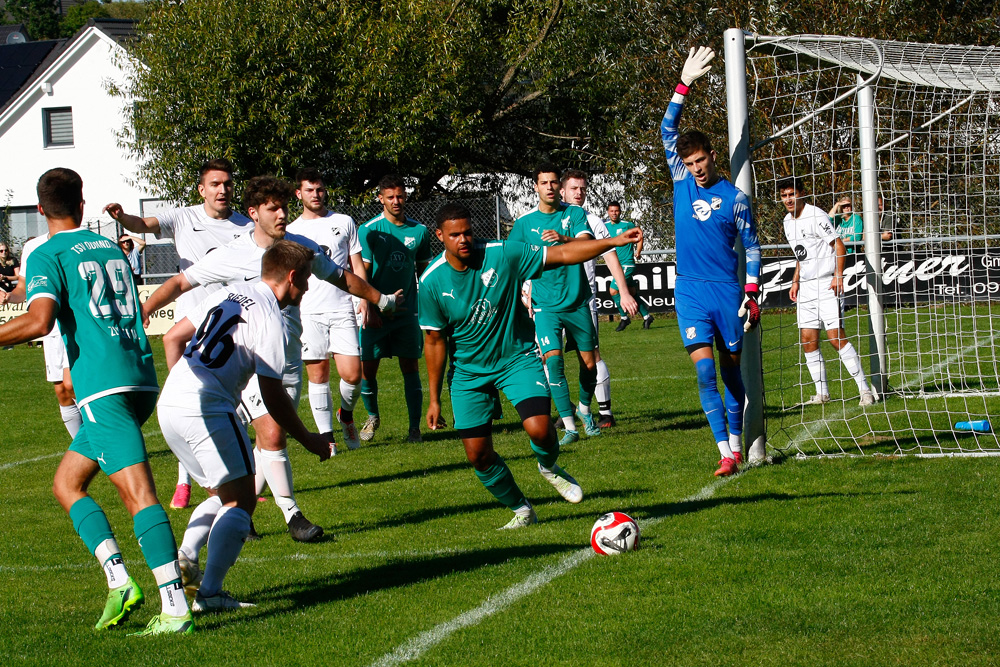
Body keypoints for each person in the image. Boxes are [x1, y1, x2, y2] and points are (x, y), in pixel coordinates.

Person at [141, 176, 401, 543]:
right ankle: (292, 516)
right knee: (273, 432)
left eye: (284, 207)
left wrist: (381, 299)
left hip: (287, 357)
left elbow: (343, 278)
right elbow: (180, 283)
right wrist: (145, 309)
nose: (282, 215)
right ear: (253, 214)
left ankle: (241, 513)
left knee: (264, 446)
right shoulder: (231, 253)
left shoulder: (301, 248)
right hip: (247, 365)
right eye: (273, 208)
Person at [0, 168, 193, 635]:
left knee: (139, 493)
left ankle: (175, 606)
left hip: (103, 387)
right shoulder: (110, 246)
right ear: (82, 205)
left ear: (41, 209)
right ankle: (120, 581)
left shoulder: (47, 252)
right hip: (139, 375)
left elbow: (40, 321)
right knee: (66, 485)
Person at [421, 203, 641, 528]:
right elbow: (434, 343)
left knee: (540, 430)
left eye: (468, 232)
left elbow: (564, 255)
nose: (463, 239)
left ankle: (549, 467)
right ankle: (522, 510)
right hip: (468, 373)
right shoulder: (431, 282)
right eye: (455, 235)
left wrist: (613, 242)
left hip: (517, 359)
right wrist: (436, 398)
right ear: (440, 236)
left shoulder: (503, 253)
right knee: (478, 456)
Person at [159, 241, 332, 612]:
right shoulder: (271, 319)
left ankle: (186, 557)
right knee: (242, 502)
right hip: (206, 408)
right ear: (290, 277)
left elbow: (172, 337)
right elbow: (272, 395)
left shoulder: (230, 292)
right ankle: (209, 593)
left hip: (170, 403)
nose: (305, 290)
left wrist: (187, 386)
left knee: (225, 493)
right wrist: (309, 439)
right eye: (305, 281)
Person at [104, 158, 253, 511]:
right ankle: (186, 479)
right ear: (202, 189)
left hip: (228, 330)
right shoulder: (183, 217)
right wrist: (122, 217)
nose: (222, 189)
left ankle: (236, 481)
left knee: (229, 410)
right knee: (187, 407)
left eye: (228, 183)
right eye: (215, 184)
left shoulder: (246, 226)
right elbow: (144, 223)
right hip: (189, 331)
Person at [662, 46, 762, 478]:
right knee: (705, 373)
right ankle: (725, 452)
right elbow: (667, 128)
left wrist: (753, 293)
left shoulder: (735, 200)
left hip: (727, 293)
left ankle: (737, 447)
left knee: (731, 376)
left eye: (700, 160)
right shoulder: (681, 181)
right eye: (689, 163)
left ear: (712, 157)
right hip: (690, 290)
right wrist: (684, 84)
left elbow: (753, 248)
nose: (696, 169)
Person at [508, 164, 604, 443]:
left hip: (577, 302)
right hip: (545, 306)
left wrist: (564, 240)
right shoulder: (524, 224)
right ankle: (570, 427)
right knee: (554, 363)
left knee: (589, 365)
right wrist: (521, 293)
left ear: (559, 187)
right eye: (544, 183)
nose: (549, 187)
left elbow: (586, 242)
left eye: (553, 182)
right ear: (536, 187)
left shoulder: (574, 214)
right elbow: (512, 262)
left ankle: (585, 409)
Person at [286, 168, 367, 451]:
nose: (316, 195)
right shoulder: (292, 230)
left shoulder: (344, 221)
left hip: (343, 306)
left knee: (353, 375)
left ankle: (345, 415)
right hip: (308, 311)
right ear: (299, 194)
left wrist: (364, 298)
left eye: (319, 189)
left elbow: (356, 265)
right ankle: (327, 440)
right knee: (318, 374)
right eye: (309, 190)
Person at [779, 178, 876, 407]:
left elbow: (839, 245)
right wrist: (795, 281)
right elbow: (801, 255)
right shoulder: (786, 221)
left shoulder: (816, 215)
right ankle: (822, 393)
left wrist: (838, 275)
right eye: (784, 196)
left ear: (802, 193)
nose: (788, 199)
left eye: (792, 194)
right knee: (808, 340)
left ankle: (865, 391)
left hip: (827, 284)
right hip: (806, 287)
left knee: (835, 338)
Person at [558, 173, 637, 429]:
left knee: (591, 357)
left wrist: (624, 292)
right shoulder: (547, 219)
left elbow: (610, 252)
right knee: (544, 357)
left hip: (583, 302)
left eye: (582, 188)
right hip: (548, 303)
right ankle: (566, 409)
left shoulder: (592, 221)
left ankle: (605, 412)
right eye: (573, 188)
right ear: (562, 191)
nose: (578, 193)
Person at [357, 174, 432, 443]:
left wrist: (427, 306)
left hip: (407, 313)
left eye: (400, 196)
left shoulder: (419, 231)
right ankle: (372, 416)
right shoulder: (368, 230)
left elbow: (425, 273)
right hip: (376, 312)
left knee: (410, 368)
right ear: (381, 199)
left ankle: (414, 429)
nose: (396, 201)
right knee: (368, 369)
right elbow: (361, 272)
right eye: (390, 197)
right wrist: (371, 306)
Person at [1, 234, 82, 436]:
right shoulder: (32, 246)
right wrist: (10, 296)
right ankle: (86, 450)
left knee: (73, 385)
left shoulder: (80, 240)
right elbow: (24, 288)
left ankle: (99, 446)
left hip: (77, 324)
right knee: (62, 392)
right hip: (51, 329)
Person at [605, 202, 654, 331]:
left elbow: (640, 235)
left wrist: (638, 251)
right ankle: (647, 316)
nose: (614, 213)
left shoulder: (627, 225)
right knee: (632, 292)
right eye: (611, 211)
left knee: (613, 290)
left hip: (626, 264)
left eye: (616, 211)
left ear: (620, 212)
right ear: (608, 212)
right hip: (616, 264)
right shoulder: (604, 226)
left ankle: (624, 318)